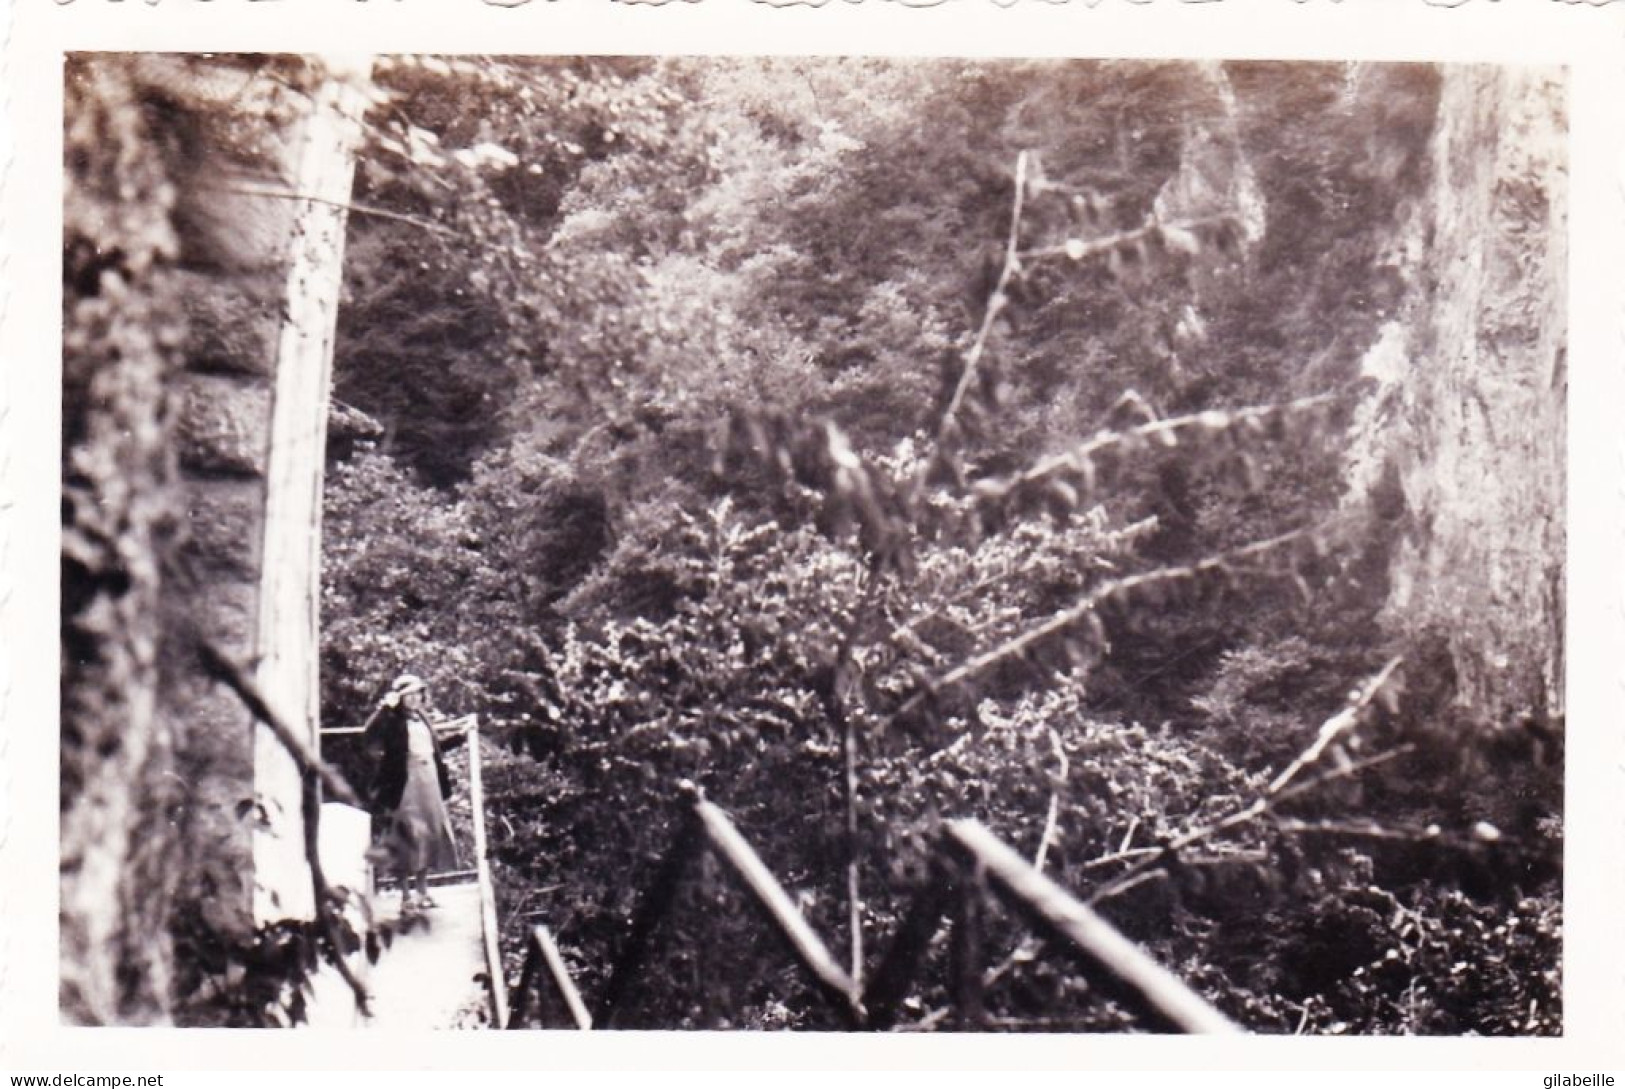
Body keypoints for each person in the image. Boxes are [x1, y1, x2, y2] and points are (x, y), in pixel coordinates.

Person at [364, 673, 464, 913]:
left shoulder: (422, 717)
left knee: (428, 834)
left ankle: (422, 893)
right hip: (404, 782)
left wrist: (461, 735)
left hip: (429, 783)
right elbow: (370, 735)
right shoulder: (392, 720)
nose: (414, 699)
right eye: (408, 695)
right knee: (407, 835)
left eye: (417, 693)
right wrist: (384, 708)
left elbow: (435, 749)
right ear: (399, 698)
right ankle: (405, 898)